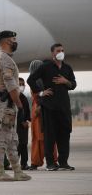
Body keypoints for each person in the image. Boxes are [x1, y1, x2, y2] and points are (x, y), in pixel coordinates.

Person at [27, 43, 76, 171]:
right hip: (49, 107)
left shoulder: (67, 68)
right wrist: (41, 92)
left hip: (64, 107)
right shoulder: (46, 67)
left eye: (63, 50)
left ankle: (64, 162)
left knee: (65, 135)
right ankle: (50, 163)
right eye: (58, 50)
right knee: (50, 136)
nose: (61, 52)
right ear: (52, 53)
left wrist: (66, 82)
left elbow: (73, 84)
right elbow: (31, 80)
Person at [0, 30, 31, 181]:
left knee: (12, 138)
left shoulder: (0, 57)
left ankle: (17, 171)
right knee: (2, 137)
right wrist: (19, 104)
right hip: (5, 103)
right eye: (13, 39)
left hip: (5, 103)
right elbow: (11, 85)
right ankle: (0, 172)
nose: (15, 42)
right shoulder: (5, 59)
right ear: (7, 41)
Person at [27, 60, 59, 170]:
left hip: (41, 110)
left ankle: (43, 161)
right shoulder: (36, 81)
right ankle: (38, 161)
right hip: (39, 112)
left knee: (45, 137)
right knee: (39, 137)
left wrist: (40, 106)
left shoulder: (39, 81)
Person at [17, 78, 31, 170]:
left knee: (23, 144)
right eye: (20, 84)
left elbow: (27, 111)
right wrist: (21, 121)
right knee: (16, 146)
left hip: (23, 126)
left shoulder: (23, 97)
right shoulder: (12, 97)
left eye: (23, 84)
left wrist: (27, 120)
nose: (22, 86)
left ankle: (24, 163)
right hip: (15, 125)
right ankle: (15, 163)